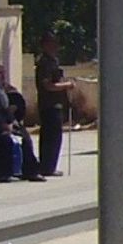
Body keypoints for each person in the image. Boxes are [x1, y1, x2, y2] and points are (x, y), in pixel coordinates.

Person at [0, 63, 45, 182]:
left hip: (3, 123)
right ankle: (2, 172)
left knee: (25, 137)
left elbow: (6, 108)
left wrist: (12, 121)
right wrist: (2, 125)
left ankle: (30, 171)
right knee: (5, 139)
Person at [34, 32, 74, 177]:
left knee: (55, 136)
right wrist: (66, 85)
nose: (56, 46)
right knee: (51, 137)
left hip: (57, 103)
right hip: (49, 104)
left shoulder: (53, 61)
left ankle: (50, 165)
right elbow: (48, 85)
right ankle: (47, 167)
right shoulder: (45, 63)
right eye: (52, 43)